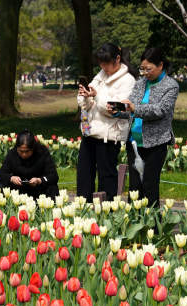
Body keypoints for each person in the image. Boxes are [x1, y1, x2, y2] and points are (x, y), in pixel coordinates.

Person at [120, 47, 179, 208]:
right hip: (134, 143)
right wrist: (118, 111)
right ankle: (133, 226)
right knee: (134, 187)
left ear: (160, 65)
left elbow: (160, 110)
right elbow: (130, 108)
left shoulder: (170, 86)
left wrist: (134, 109)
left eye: (148, 69)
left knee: (149, 186)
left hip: (156, 144)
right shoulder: (140, 84)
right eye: (142, 68)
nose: (145, 72)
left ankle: (153, 227)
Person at [76, 43, 136, 200]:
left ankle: (106, 210)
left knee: (106, 176)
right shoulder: (100, 75)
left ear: (117, 59)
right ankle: (83, 209)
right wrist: (85, 96)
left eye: (106, 63)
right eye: (100, 63)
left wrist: (96, 97)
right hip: (90, 131)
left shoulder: (128, 80)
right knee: (83, 173)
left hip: (109, 136)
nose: (103, 67)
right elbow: (87, 104)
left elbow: (117, 109)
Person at [0, 131, 59, 198]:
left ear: (33, 148)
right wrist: (11, 178)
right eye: (21, 151)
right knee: (1, 185)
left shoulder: (42, 152)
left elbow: (54, 176)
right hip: (18, 189)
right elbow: (1, 175)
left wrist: (40, 180)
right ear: (17, 148)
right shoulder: (12, 154)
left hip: (38, 189)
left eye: (27, 151)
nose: (24, 154)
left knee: (52, 187)